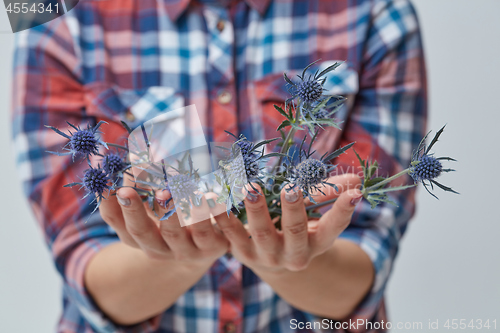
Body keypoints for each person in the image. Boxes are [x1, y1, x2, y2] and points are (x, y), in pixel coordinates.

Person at [11, 0, 427, 332]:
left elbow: (367, 263)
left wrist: (287, 252)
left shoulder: (377, 11)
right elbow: (81, 261)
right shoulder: (47, 11)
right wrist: (181, 256)